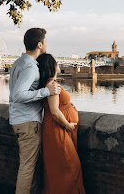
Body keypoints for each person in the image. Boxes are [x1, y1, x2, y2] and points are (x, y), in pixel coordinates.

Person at [9, 28, 61, 194]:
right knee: (27, 168)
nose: (47, 44)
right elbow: (18, 95)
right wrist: (47, 92)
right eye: (45, 41)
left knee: (30, 166)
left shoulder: (18, 63)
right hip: (28, 122)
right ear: (40, 44)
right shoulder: (30, 67)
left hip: (19, 120)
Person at [37, 53, 86, 194]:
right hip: (57, 130)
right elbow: (54, 111)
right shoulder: (52, 85)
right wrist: (68, 125)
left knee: (60, 168)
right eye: (56, 63)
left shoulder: (49, 84)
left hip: (56, 129)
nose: (58, 65)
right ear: (52, 66)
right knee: (70, 166)